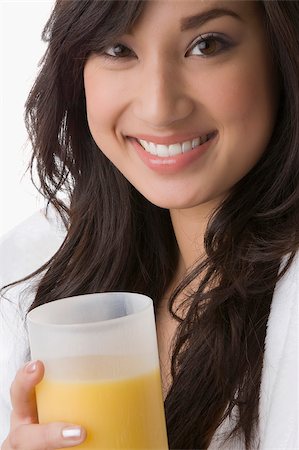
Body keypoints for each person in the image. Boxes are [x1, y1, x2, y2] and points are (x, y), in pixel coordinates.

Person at [0, 0, 298, 448]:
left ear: (280, 52)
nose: (159, 107)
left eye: (207, 45)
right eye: (118, 50)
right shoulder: (45, 268)